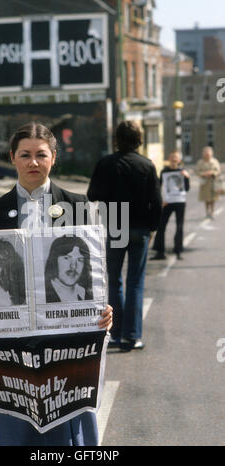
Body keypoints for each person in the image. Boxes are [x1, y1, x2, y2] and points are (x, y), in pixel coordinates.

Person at [0, 122, 112, 446]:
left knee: (69, 414)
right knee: (16, 414)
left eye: (41, 154)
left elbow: (93, 271)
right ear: (13, 157)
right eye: (25, 155)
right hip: (13, 342)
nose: (33, 162)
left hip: (67, 337)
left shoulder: (78, 204)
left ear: (54, 157)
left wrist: (104, 308)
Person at [87, 121, 162, 352]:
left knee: (115, 280)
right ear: (139, 139)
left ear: (116, 138)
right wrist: (152, 228)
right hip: (139, 228)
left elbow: (92, 195)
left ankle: (116, 333)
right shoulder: (146, 165)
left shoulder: (106, 163)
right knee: (136, 282)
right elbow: (156, 202)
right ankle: (133, 336)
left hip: (115, 226)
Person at [151, 151, 190, 261]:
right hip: (167, 202)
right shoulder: (164, 171)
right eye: (172, 157)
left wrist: (187, 178)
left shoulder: (182, 171)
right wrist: (161, 200)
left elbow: (186, 189)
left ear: (179, 160)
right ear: (169, 159)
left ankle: (178, 251)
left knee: (179, 227)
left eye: (176, 158)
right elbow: (158, 186)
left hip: (180, 202)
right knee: (161, 226)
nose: (174, 159)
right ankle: (160, 252)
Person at [45, 235, 93, 303]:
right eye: (67, 258)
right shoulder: (41, 295)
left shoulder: (87, 296)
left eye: (80, 260)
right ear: (54, 260)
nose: (73, 266)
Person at [195, 146, 221, 219]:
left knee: (213, 199)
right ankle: (207, 212)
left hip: (213, 183)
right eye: (206, 153)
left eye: (208, 153)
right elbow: (197, 171)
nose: (207, 155)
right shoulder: (200, 162)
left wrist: (213, 173)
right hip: (204, 183)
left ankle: (212, 212)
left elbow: (218, 170)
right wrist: (204, 174)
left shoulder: (214, 161)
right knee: (206, 199)